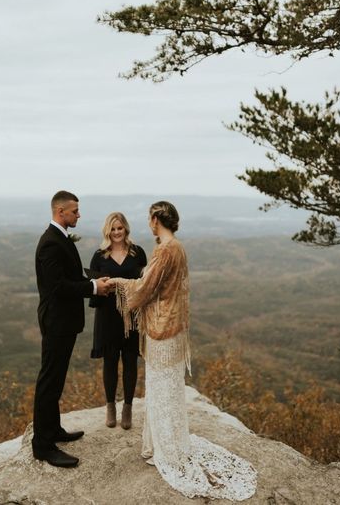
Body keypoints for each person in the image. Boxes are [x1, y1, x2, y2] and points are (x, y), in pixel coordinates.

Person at [108, 201, 257, 500]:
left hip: (162, 331)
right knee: (170, 389)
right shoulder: (179, 247)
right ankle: (166, 443)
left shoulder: (165, 250)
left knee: (161, 390)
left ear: (155, 220)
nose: (149, 223)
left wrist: (117, 283)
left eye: (150, 218)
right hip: (174, 330)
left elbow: (145, 288)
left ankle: (167, 449)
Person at [32, 190, 110, 468]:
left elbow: (68, 276)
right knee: (49, 381)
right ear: (60, 212)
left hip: (64, 322)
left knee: (56, 378)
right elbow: (57, 287)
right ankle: (42, 446)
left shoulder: (59, 237)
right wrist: (92, 288)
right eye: (75, 211)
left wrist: (93, 279)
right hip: (56, 322)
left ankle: (53, 430)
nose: (79, 215)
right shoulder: (51, 243)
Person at [89, 212, 147, 429]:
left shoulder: (137, 253)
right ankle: (111, 406)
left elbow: (145, 284)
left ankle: (128, 408)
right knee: (110, 362)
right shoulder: (99, 255)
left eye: (119, 228)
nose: (116, 233)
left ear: (126, 229)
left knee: (131, 361)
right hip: (107, 315)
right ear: (107, 231)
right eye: (112, 229)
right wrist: (103, 287)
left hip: (132, 315)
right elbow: (93, 287)